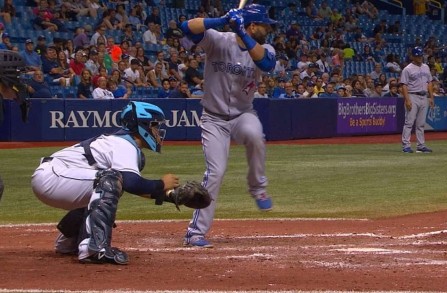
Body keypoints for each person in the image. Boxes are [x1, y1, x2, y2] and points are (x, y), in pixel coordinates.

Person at [31, 101, 180, 265]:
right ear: (142, 125)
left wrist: (170, 196)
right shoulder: (123, 144)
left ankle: (69, 242)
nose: (158, 131)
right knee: (110, 180)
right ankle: (94, 249)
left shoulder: (121, 142)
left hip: (56, 177)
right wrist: (161, 184)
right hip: (54, 177)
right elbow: (133, 183)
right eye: (155, 125)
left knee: (108, 184)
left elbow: (128, 185)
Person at [180, 3, 276, 248]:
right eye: (265, 25)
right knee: (216, 172)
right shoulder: (219, 40)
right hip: (213, 118)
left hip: (243, 114)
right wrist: (221, 20)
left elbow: (266, 64)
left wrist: (242, 32)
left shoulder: (264, 48)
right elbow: (186, 28)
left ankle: (258, 188)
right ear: (254, 25)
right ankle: (195, 233)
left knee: (254, 134)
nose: (268, 29)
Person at [400, 47, 434, 153]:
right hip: (412, 95)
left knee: (421, 123)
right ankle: (406, 145)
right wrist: (407, 100)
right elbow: (404, 85)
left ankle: (421, 145)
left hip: (424, 96)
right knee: (409, 122)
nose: (420, 57)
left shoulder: (426, 67)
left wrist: (431, 97)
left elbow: (429, 82)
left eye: (421, 55)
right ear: (413, 56)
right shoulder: (407, 69)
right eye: (418, 55)